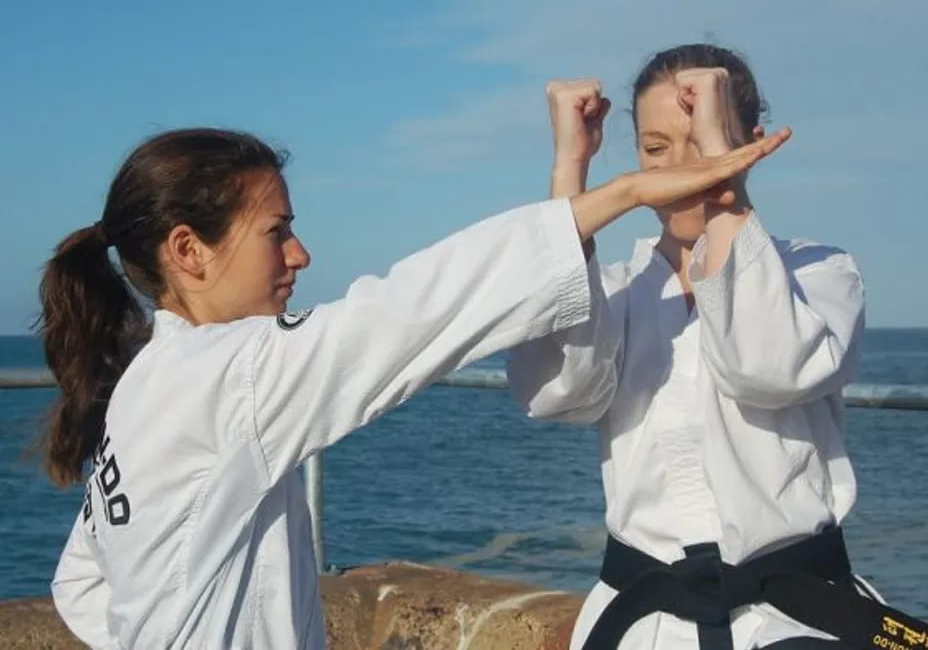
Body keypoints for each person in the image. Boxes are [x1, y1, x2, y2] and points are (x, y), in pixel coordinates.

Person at [38, 124, 787, 648]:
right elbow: (410, 312)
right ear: (187, 252)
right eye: (276, 231)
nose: (300, 253)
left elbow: (85, 583)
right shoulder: (226, 379)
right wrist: (621, 193)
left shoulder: (148, 385)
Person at [507, 45, 928, 649]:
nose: (683, 169)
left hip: (794, 621)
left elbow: (768, 369)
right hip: (644, 625)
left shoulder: (817, 272)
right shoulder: (613, 290)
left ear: (752, 145)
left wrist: (725, 193)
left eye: (704, 143)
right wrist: (569, 172)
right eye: (656, 149)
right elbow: (556, 392)